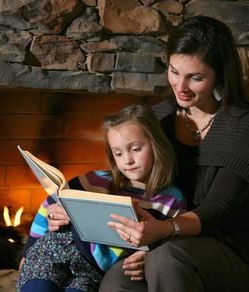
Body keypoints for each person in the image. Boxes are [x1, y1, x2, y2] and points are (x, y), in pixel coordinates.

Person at [97, 16, 249, 292]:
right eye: (174, 71)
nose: (180, 87)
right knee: (116, 279)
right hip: (162, 242)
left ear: (221, 74)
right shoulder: (157, 120)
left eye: (196, 77)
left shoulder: (243, 127)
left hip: (230, 246)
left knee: (167, 261)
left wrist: (162, 238)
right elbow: (123, 178)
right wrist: (71, 207)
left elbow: (217, 211)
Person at [16, 104, 187, 292]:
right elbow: (48, 205)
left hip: (92, 271)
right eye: (118, 153)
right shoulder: (94, 180)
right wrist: (28, 251)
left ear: (155, 144)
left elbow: (169, 243)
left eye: (136, 149)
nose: (127, 160)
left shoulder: (172, 201)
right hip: (53, 251)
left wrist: (147, 258)